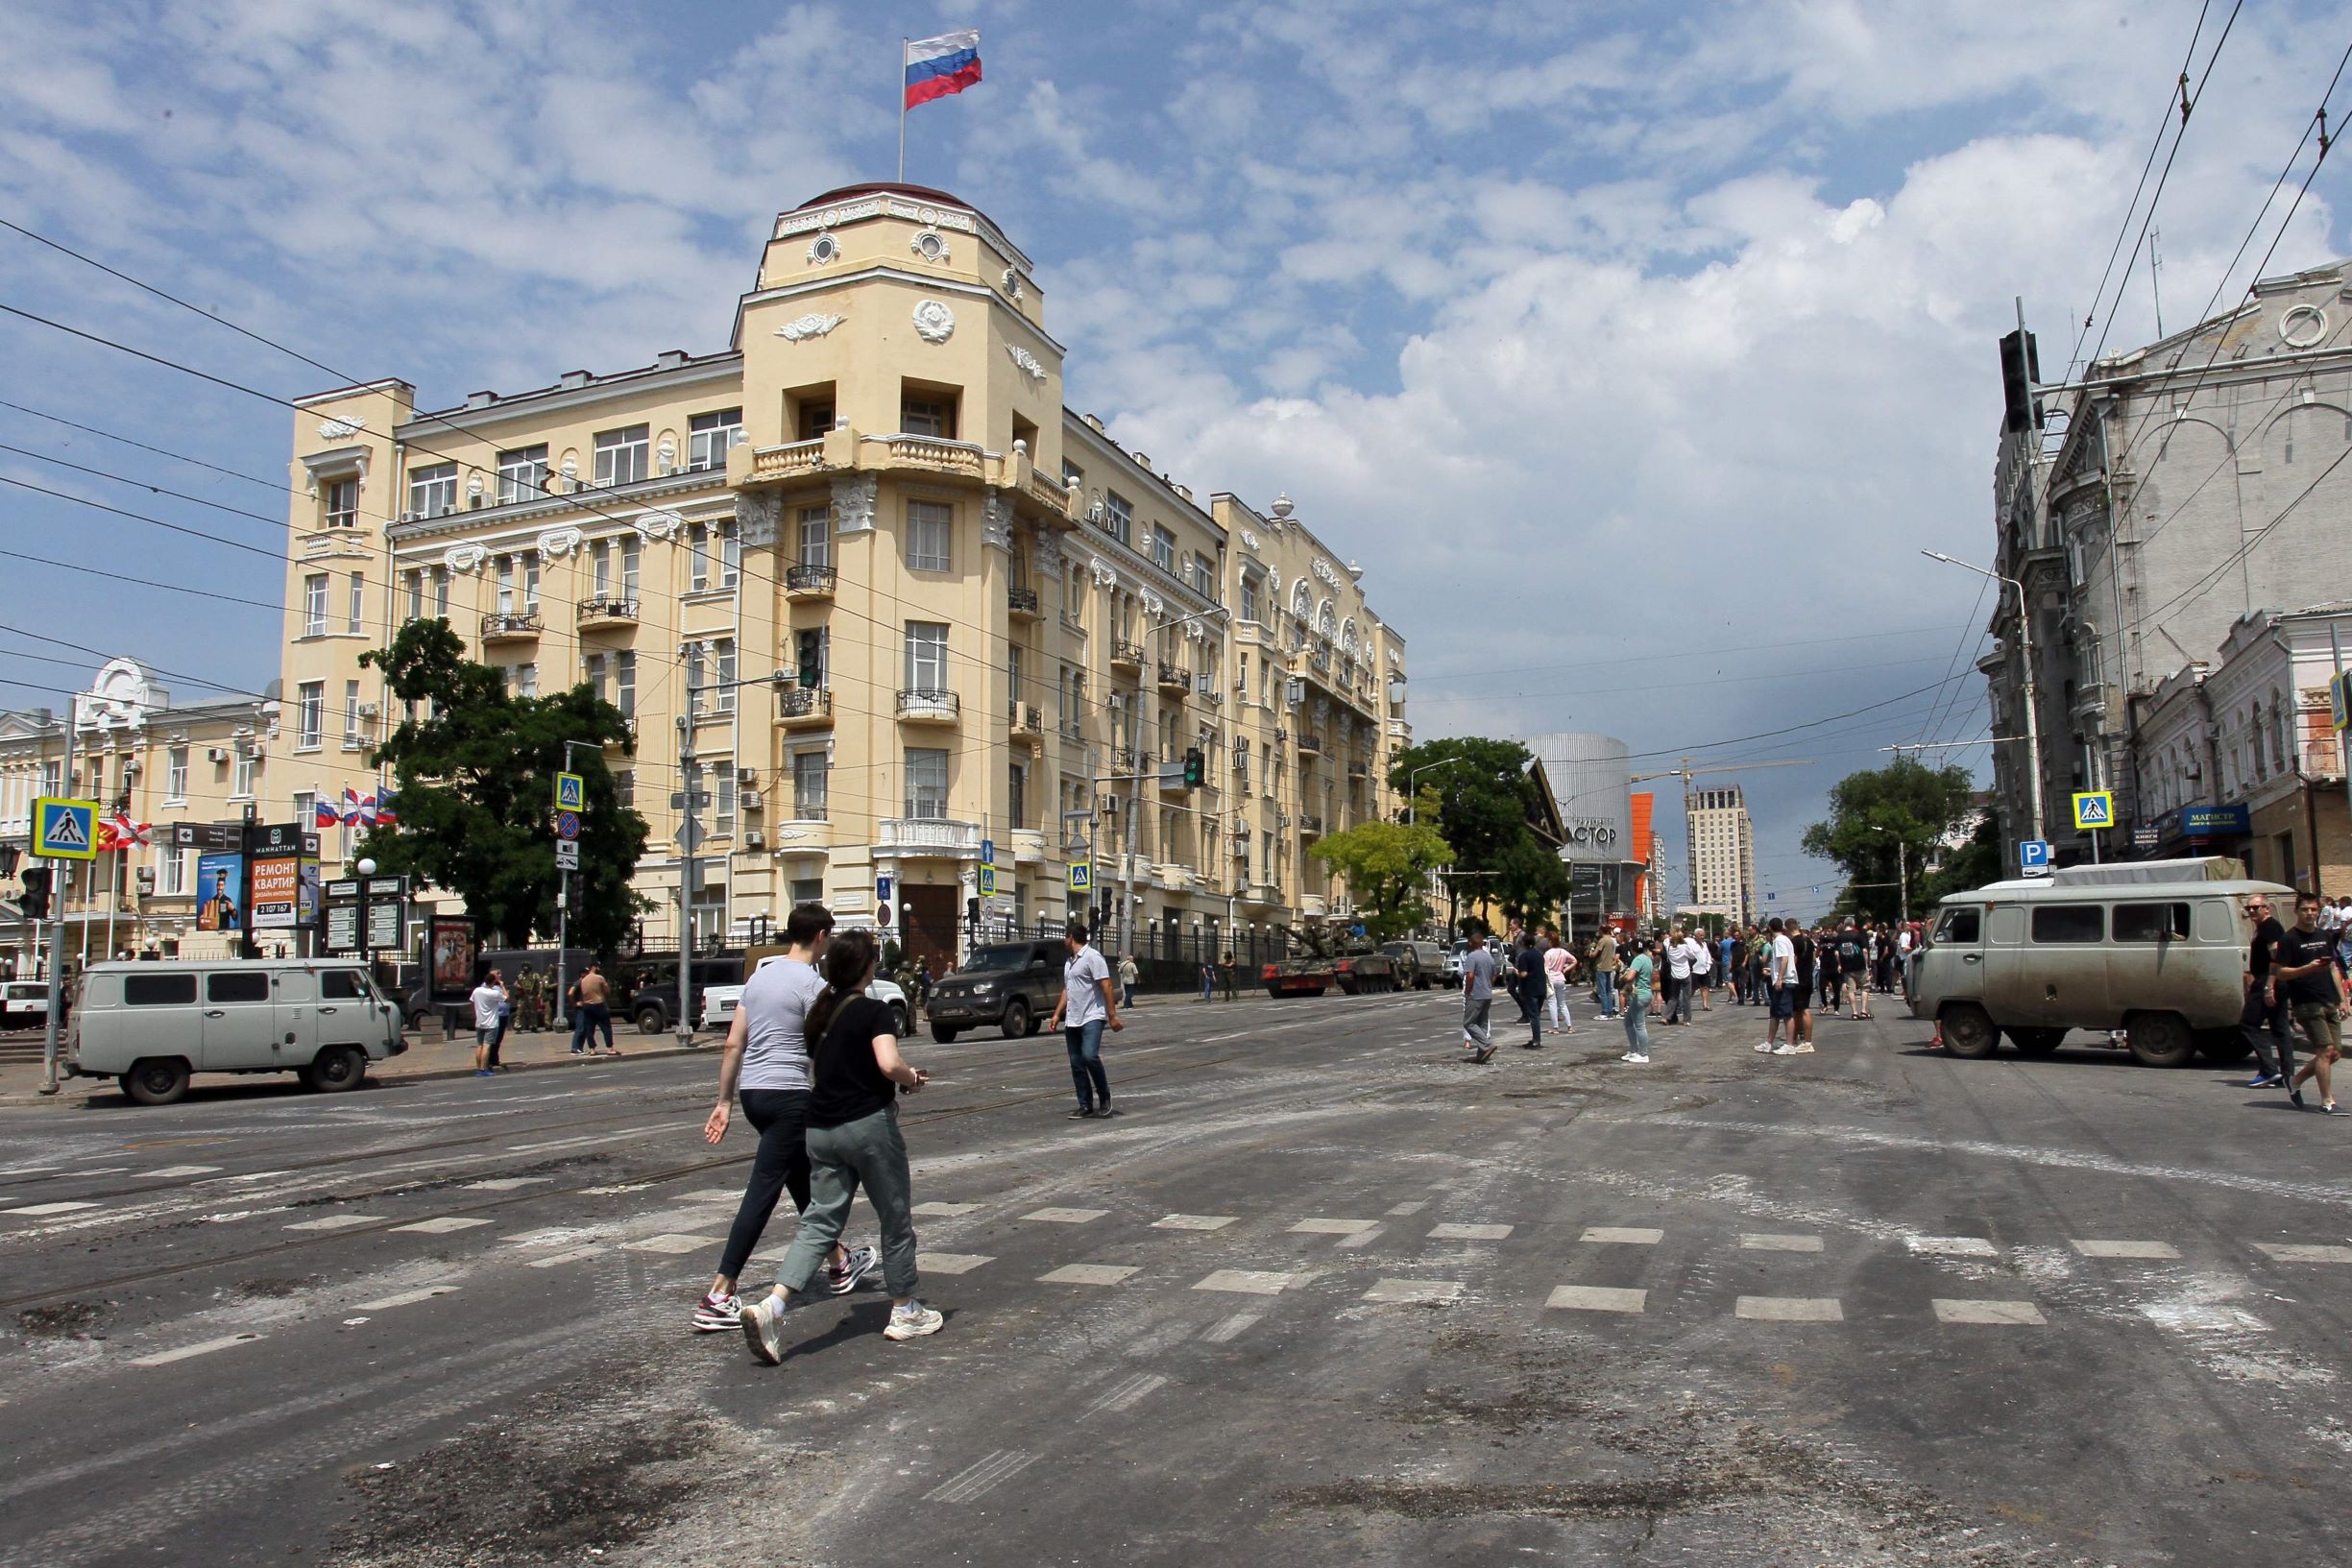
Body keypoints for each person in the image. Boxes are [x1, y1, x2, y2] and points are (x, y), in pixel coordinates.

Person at [739, 929, 941, 1362]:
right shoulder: (875, 1010)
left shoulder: (820, 1012)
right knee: (894, 1216)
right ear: (867, 967)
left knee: (819, 1222)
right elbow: (888, 1063)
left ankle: (772, 1306)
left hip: (820, 1128)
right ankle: (905, 1309)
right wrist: (912, 1079)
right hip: (867, 1125)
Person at [696, 903, 870, 1333]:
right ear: (822, 937)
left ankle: (839, 1261)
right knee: (763, 1191)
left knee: (801, 1179)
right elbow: (831, 1044)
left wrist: (724, 1101)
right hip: (789, 1095)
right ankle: (720, 1293)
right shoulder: (813, 985)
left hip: (755, 1094)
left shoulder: (759, 977)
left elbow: (733, 1044)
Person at [1046, 920, 1123, 1118]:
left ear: (1071, 938)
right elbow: (1067, 989)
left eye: (1065, 936)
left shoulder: (1092, 957)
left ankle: (1104, 1096)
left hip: (1092, 1016)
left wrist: (1112, 1016)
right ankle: (1085, 1104)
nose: (1064, 940)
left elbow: (1106, 985)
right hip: (1072, 1019)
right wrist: (1056, 1014)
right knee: (1076, 1062)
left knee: (1090, 1056)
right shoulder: (1069, 961)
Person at [2279, 894, 2346, 1113]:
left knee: (2334, 1053)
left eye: (2313, 910)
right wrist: (2306, 968)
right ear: (2296, 911)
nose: (2309, 914)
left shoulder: (2324, 935)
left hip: (2329, 999)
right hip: (2306, 1002)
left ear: (2319, 911)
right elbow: (2281, 972)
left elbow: (2333, 968)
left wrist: (2343, 999)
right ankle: (2327, 1101)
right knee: (2325, 1050)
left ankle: (2295, 1081)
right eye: (2305, 910)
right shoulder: (2289, 939)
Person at [2239, 892, 2295, 1090]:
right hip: (2272, 981)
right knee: (2280, 1029)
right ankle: (2287, 1075)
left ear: (2266, 908)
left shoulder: (2270, 927)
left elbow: (2276, 957)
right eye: (2249, 908)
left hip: (2268, 981)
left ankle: (2270, 1071)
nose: (2252, 911)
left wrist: (2269, 985)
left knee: (2248, 1024)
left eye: (2256, 907)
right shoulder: (2264, 927)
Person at [1459, 921, 1498, 1064]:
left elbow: (1469, 976)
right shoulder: (1488, 956)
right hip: (1487, 993)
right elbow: (1495, 974)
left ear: (1471, 943)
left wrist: (1468, 990)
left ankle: (1487, 1045)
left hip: (1476, 994)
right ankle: (1482, 1055)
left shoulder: (1471, 957)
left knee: (1468, 1023)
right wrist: (1489, 984)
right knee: (1482, 1023)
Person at [1758, 918, 1797, 1054]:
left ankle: (1790, 1044)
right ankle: (1769, 1042)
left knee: (1786, 1013)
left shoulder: (1779, 941)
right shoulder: (1785, 939)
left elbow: (1784, 959)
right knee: (1774, 1013)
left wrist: (1780, 978)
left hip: (1785, 981)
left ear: (1770, 927)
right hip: (1782, 979)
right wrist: (1772, 972)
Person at [1780, 925, 1817, 1055]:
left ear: (1789, 929)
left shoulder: (1794, 942)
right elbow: (1813, 958)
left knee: (1804, 1010)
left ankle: (1807, 1042)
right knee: (1797, 1011)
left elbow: (1793, 961)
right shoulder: (1809, 941)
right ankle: (1794, 1040)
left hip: (1798, 979)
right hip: (1808, 977)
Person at [1620, 937, 1655, 1064]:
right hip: (1646, 993)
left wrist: (1623, 976)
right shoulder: (1647, 959)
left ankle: (1643, 1053)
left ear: (1632, 949)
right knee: (1628, 1021)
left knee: (1639, 1025)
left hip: (1639, 994)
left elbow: (1630, 977)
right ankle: (1634, 1050)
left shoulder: (1638, 959)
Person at [570, 961, 616, 1056]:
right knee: (606, 1027)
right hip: (599, 1005)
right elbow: (607, 991)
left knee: (589, 1029)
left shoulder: (583, 980)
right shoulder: (599, 978)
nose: (599, 969)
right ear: (594, 967)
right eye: (598, 967)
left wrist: (575, 1003)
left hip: (587, 1006)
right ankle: (610, 1048)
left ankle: (592, 1049)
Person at [469, 969, 506, 1078]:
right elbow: (507, 998)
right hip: (491, 1023)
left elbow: (472, 1001)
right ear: (493, 982)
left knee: (479, 1045)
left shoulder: (477, 990)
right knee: (487, 1046)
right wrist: (502, 986)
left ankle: (478, 1068)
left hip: (479, 1022)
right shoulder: (493, 993)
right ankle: (483, 1068)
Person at [1513, 931, 1545, 1049]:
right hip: (1542, 988)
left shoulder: (1524, 957)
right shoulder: (1539, 955)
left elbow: (1524, 974)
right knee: (1537, 1015)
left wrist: (1517, 972)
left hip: (1531, 989)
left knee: (1533, 1016)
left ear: (1523, 943)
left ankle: (1536, 1040)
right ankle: (1536, 1038)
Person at [1542, 931, 1577, 1033]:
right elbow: (1574, 960)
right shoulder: (1563, 951)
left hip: (1551, 979)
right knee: (1562, 1003)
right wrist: (1566, 969)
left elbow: (1545, 969)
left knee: (1552, 1003)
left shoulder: (1548, 953)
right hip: (1561, 978)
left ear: (1550, 941)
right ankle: (1569, 1026)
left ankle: (1555, 1027)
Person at [1591, 929, 1620, 1019]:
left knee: (1602, 991)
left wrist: (1591, 951)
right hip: (1609, 966)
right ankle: (1610, 1011)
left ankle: (1605, 1012)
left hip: (1602, 966)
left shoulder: (1602, 940)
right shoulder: (1611, 941)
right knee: (1609, 990)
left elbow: (1594, 954)